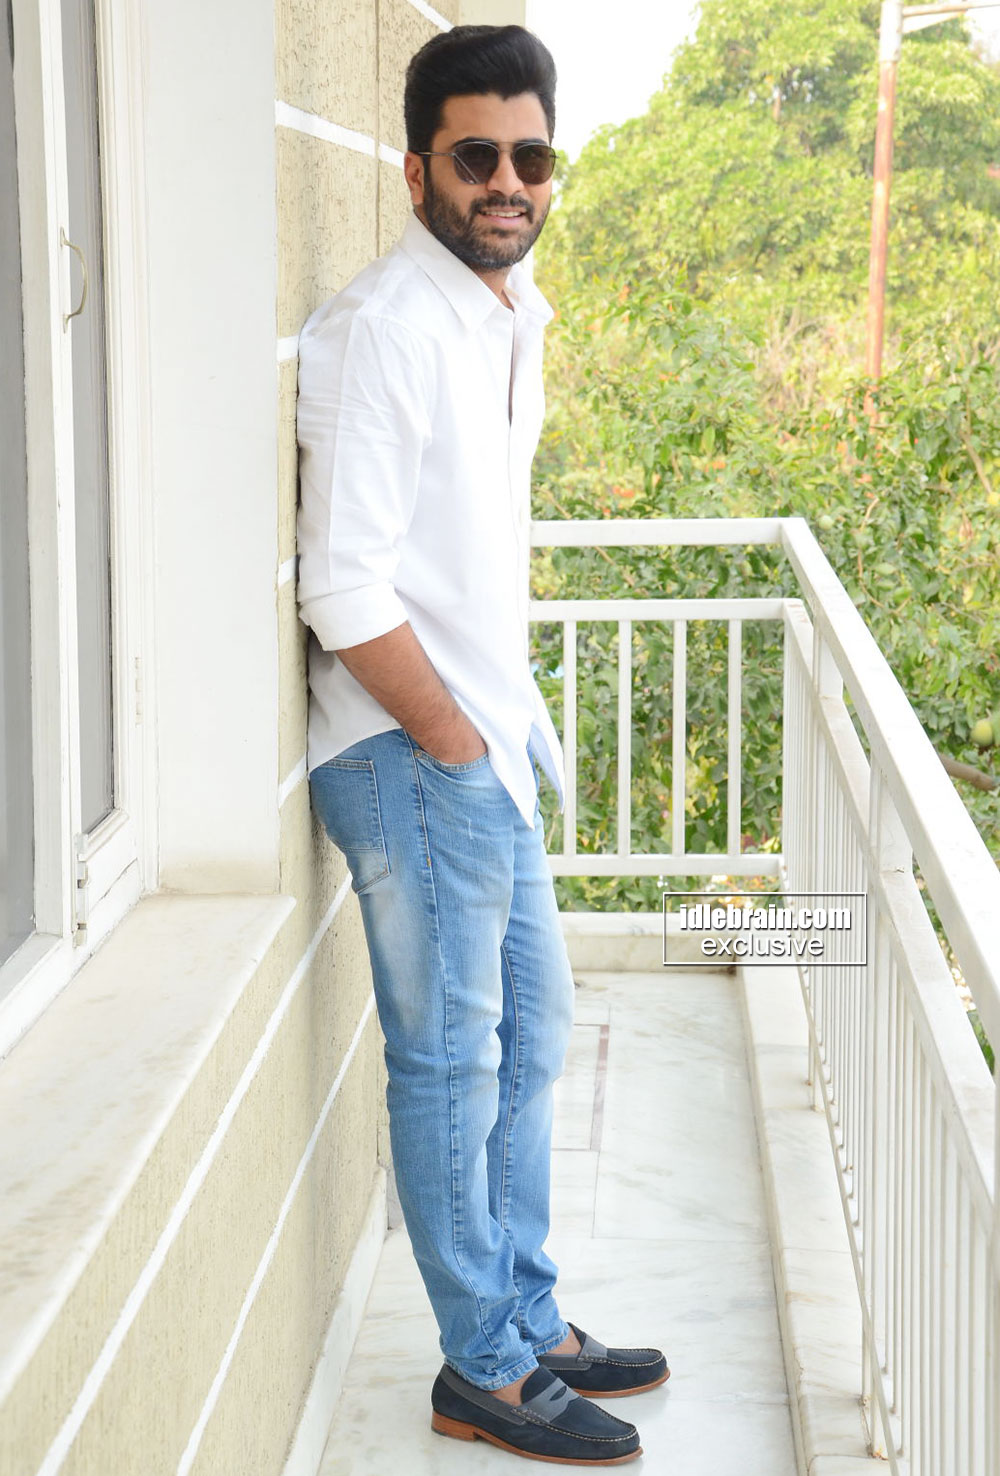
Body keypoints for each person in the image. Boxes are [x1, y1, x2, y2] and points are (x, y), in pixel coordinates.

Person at [296, 24, 667, 1465]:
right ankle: (486, 1371)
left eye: (531, 154)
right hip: (408, 753)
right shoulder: (386, 330)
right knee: (452, 1062)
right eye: (475, 156)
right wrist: (451, 744)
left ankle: (528, 1316)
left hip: (478, 750)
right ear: (417, 171)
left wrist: (486, 742)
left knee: (533, 1038)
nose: (507, 180)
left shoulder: (509, 315)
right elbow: (344, 590)